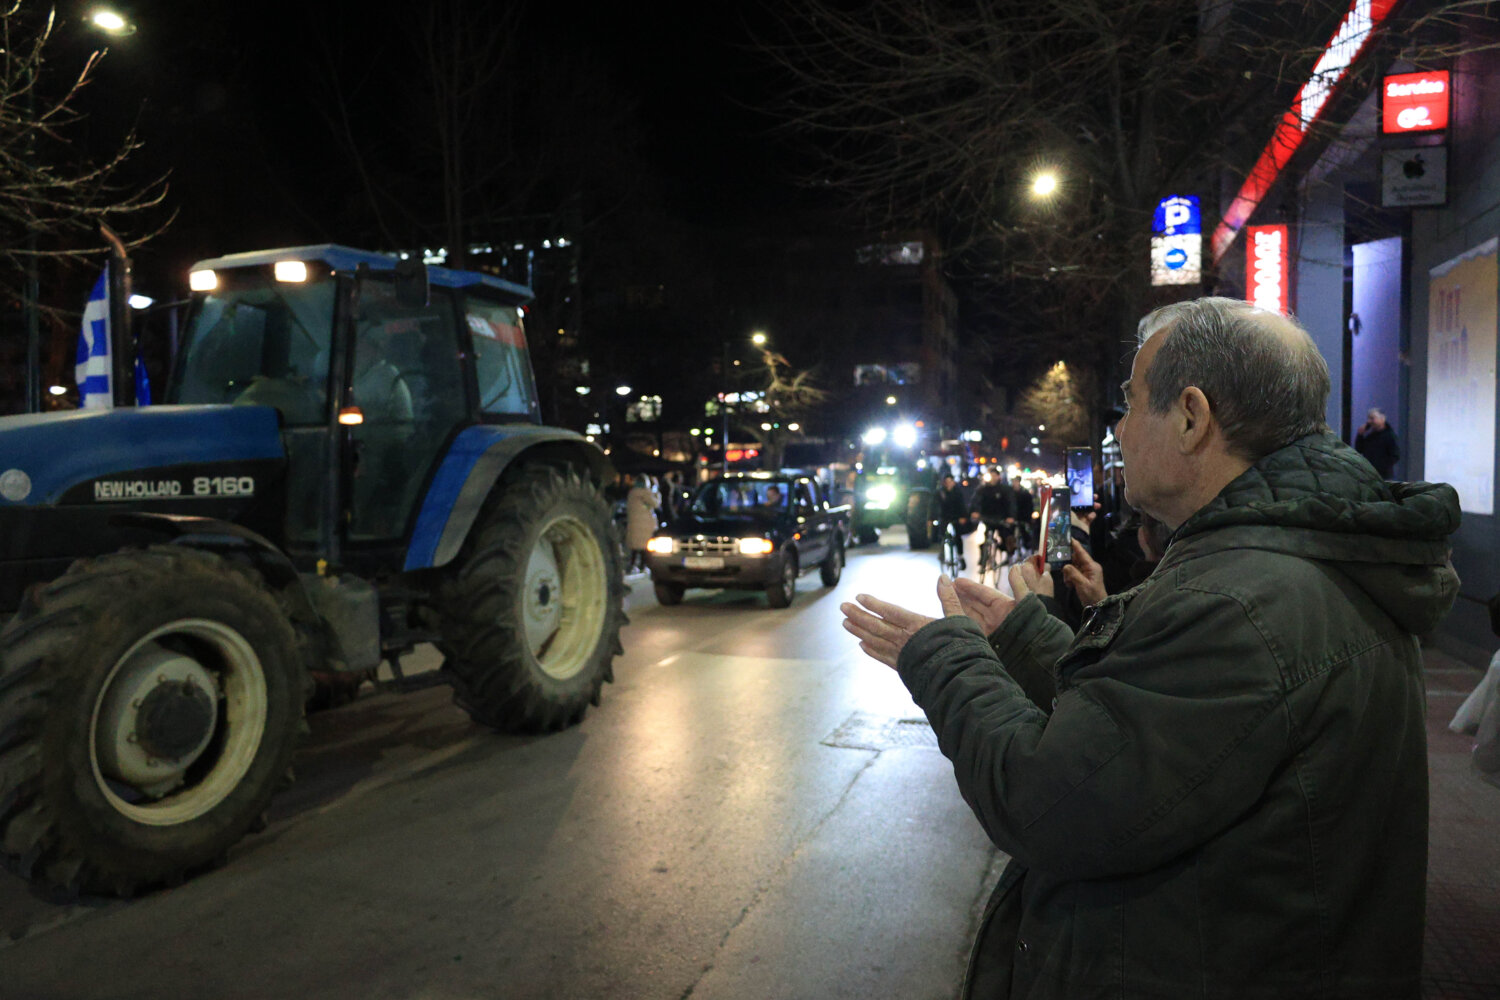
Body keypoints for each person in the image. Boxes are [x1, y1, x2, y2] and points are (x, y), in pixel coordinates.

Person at [840, 296, 1460, 999]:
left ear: (1192, 417)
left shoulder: (1238, 602)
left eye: (1131, 405)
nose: (1120, 432)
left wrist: (947, 662)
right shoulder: (1271, 568)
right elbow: (1155, 741)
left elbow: (1048, 800)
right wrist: (1023, 640)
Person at [969, 470, 1017, 566]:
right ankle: (984, 556)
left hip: (1001, 518)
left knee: (1004, 536)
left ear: (999, 477)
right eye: (991, 475)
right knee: (986, 537)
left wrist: (1011, 516)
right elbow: (975, 500)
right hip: (987, 518)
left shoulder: (1005, 489)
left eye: (995, 475)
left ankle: (1006, 553)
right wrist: (974, 511)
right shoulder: (982, 489)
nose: (993, 478)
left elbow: (1011, 503)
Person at [932, 473, 973, 569]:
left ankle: (960, 556)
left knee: (958, 536)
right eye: (946, 482)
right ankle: (942, 552)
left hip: (956, 517)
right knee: (941, 533)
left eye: (950, 482)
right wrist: (931, 518)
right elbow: (934, 506)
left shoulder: (958, 492)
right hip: (944, 517)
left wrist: (963, 517)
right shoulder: (939, 493)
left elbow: (962, 505)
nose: (948, 484)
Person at [624, 473, 660, 574]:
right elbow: (656, 503)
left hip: (634, 524)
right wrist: (656, 492)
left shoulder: (632, 493)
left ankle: (631, 565)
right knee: (645, 547)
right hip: (645, 525)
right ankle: (643, 566)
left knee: (635, 548)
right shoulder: (645, 493)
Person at [1355, 406, 1400, 478]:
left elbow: (1395, 456)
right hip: (1368, 474)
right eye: (1368, 418)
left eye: (1372, 418)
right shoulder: (1370, 436)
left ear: (1382, 419)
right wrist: (1360, 435)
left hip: (1383, 476)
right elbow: (1359, 450)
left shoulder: (1390, 436)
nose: (1369, 421)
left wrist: (1380, 466)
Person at [1010, 477, 1035, 554]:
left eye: (1016, 481)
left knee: (1025, 534)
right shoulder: (1009, 493)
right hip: (1012, 518)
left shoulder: (1025, 493)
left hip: (1023, 518)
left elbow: (1029, 507)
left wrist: (1028, 518)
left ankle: (1027, 548)